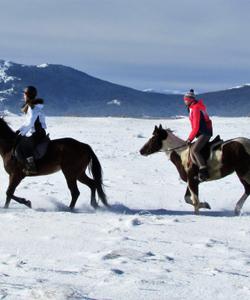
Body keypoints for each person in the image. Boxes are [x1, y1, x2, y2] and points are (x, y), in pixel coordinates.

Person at [184, 89, 213, 181]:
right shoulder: (193, 107)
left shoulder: (196, 108)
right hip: (203, 132)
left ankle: (204, 171)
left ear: (190, 100)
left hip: (205, 132)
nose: (185, 101)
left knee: (195, 150)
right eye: (184, 100)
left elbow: (196, 127)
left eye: (186, 100)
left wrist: (189, 139)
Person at [17, 86, 47, 175]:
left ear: (27, 95)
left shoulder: (33, 108)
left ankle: (31, 167)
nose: (23, 96)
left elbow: (30, 123)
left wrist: (21, 134)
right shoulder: (34, 107)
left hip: (37, 133)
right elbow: (27, 122)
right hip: (38, 132)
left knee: (23, 144)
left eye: (24, 94)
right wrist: (18, 131)